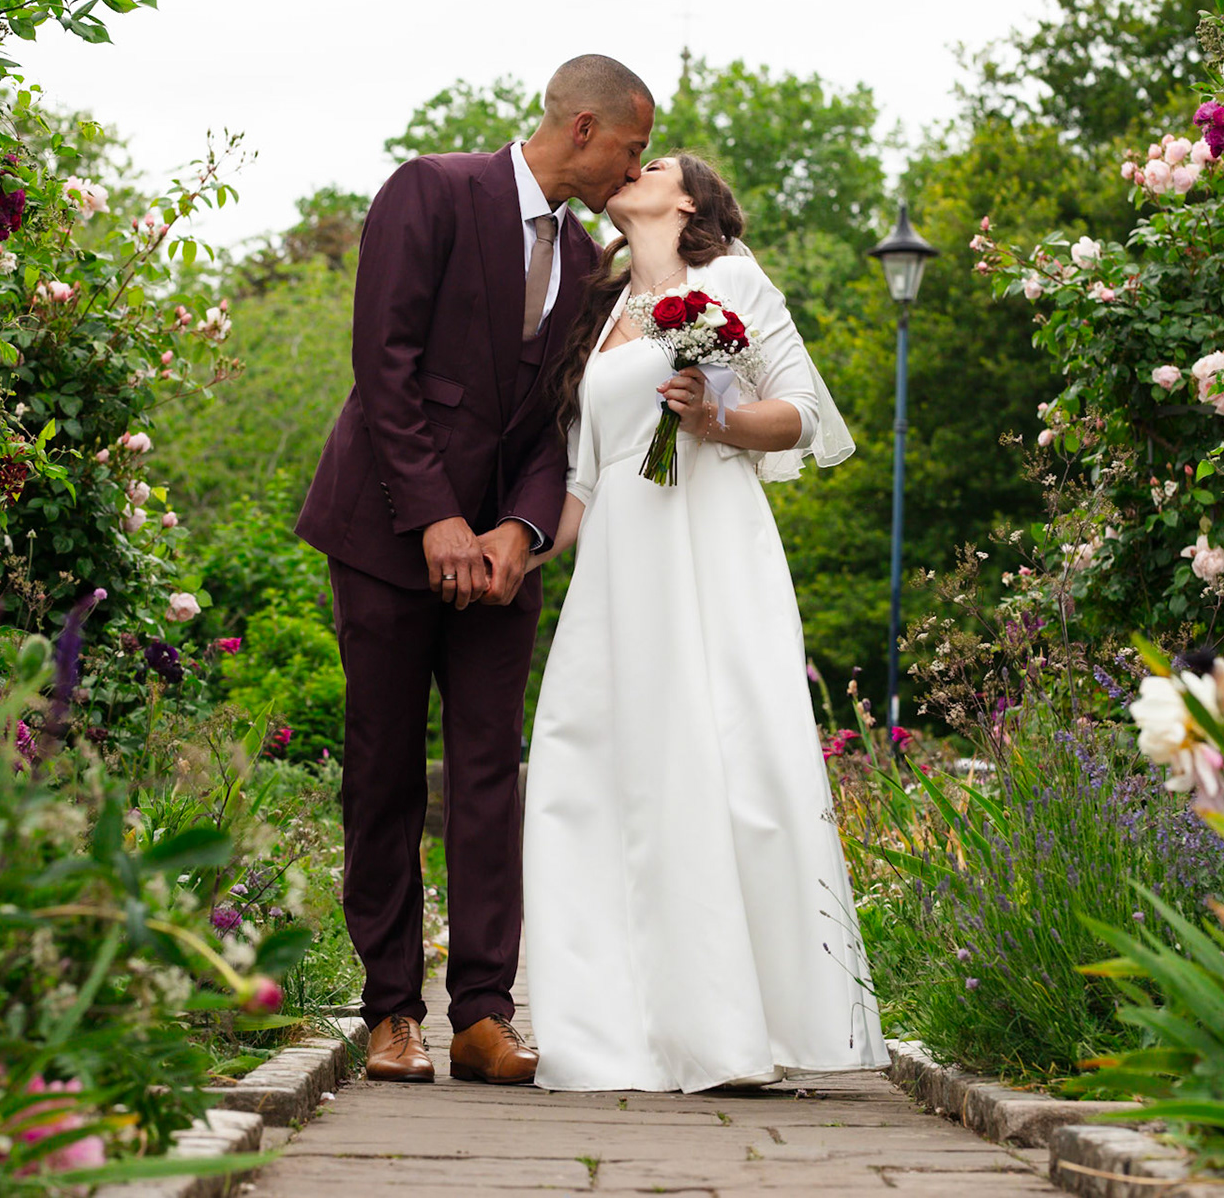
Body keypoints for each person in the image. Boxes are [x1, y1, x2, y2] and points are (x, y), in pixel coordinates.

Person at [295, 55, 654, 1084]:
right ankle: (392, 1010)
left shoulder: (593, 260)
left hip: (499, 556)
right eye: (631, 146)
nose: (636, 168)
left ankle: (484, 1012)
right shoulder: (432, 190)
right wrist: (437, 519)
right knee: (385, 768)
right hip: (384, 531)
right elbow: (385, 366)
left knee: (494, 775)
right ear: (584, 128)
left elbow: (561, 416)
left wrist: (522, 533)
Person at [521, 153, 887, 1092]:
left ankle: (734, 1029)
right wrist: (516, 553)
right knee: (591, 768)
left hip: (712, 546)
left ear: (686, 201)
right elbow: (580, 476)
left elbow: (803, 414)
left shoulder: (732, 279)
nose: (631, 168)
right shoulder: (601, 313)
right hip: (617, 567)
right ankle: (615, 1026)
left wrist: (713, 420)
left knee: (723, 763)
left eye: (655, 163)